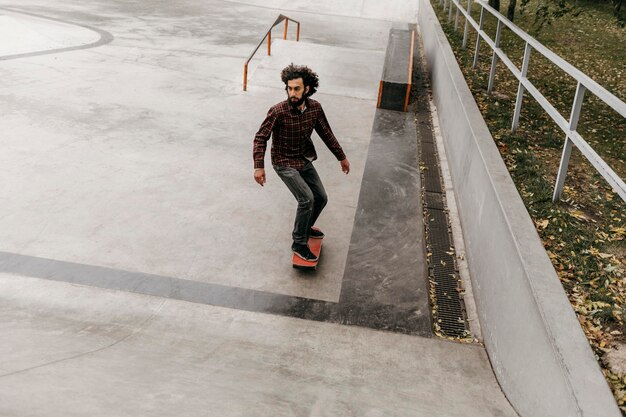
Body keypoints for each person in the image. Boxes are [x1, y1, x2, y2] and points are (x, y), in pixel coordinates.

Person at [253, 64, 350, 261]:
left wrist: (342, 157)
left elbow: (326, 134)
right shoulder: (278, 111)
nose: (292, 93)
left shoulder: (315, 108)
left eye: (297, 89)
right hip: (283, 162)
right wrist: (259, 166)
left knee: (321, 198)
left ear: (307, 89)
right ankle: (299, 242)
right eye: (289, 88)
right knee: (306, 199)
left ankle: (305, 227)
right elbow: (261, 137)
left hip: (303, 159)